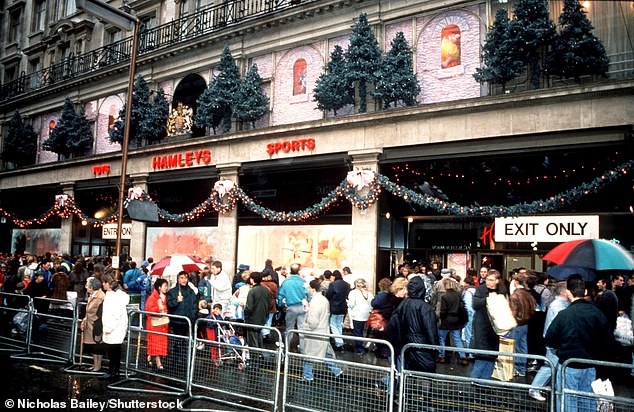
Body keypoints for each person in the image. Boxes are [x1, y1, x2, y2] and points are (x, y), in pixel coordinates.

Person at [545, 275, 610, 412]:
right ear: (585, 292)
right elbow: (607, 340)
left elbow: (550, 339)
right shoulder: (597, 314)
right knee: (587, 401)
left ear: (568, 292)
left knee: (568, 401)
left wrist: (560, 349)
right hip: (591, 366)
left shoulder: (564, 315)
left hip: (569, 365)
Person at [386, 276, 439, 373]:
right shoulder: (425, 307)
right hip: (422, 345)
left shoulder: (404, 303)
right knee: (425, 374)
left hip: (406, 344)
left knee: (407, 373)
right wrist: (435, 348)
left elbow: (394, 324)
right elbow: (431, 331)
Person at [529, 281, 570, 402]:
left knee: (551, 366)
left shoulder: (559, 304)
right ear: (563, 292)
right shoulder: (558, 305)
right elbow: (558, 326)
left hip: (554, 341)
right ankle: (534, 389)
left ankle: (537, 388)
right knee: (549, 366)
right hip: (555, 343)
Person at [302, 279, 343, 382]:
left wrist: (305, 328)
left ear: (313, 289)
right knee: (324, 354)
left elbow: (313, 321)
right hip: (323, 331)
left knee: (309, 356)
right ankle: (337, 371)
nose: (307, 290)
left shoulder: (315, 302)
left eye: (308, 288)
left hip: (315, 333)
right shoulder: (323, 300)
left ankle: (308, 376)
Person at [470, 268, 507, 380]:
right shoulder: (480, 289)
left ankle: (484, 384)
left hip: (495, 329)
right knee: (481, 358)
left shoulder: (502, 290)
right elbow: (475, 304)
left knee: (491, 357)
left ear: (497, 280)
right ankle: (473, 382)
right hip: (482, 327)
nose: (488, 282)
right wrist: (488, 299)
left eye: (491, 279)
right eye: (487, 279)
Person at [100, 273, 130, 380]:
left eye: (104, 282)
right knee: (112, 351)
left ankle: (113, 372)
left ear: (108, 284)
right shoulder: (111, 294)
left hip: (114, 328)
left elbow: (115, 314)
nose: (102, 284)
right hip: (112, 328)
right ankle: (112, 370)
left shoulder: (116, 296)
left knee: (114, 351)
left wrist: (109, 327)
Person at [508, 273, 536, 377]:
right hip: (526, 323)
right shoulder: (527, 294)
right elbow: (533, 307)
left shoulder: (515, 295)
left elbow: (513, 312)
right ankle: (522, 369)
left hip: (517, 323)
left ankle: (516, 369)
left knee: (515, 347)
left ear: (516, 282)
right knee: (523, 346)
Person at [437, 277, 468, 365]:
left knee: (441, 338)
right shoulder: (458, 295)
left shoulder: (444, 296)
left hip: (446, 320)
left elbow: (443, 310)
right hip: (456, 319)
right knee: (457, 339)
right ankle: (463, 357)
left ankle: (441, 356)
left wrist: (441, 318)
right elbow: (462, 307)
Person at [277, 263, 309, 346]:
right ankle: (303, 348)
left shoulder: (286, 282)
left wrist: (280, 305)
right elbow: (308, 294)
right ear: (299, 271)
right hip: (302, 307)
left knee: (289, 329)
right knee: (302, 328)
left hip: (291, 307)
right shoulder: (303, 282)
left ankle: (287, 348)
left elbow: (280, 295)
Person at [80, 276, 105, 372]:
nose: (85, 287)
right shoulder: (93, 295)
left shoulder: (100, 297)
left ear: (92, 287)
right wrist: (84, 320)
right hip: (90, 323)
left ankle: (98, 366)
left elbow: (100, 312)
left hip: (96, 325)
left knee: (97, 346)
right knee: (93, 346)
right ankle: (95, 364)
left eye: (87, 285)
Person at [145, 278, 169, 370]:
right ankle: (158, 362)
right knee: (156, 343)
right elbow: (148, 310)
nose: (166, 288)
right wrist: (159, 308)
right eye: (165, 286)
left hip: (161, 324)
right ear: (159, 287)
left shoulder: (164, 297)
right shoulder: (152, 298)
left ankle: (150, 356)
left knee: (157, 343)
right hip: (154, 325)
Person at [244, 271, 271, 351]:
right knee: (259, 339)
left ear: (252, 279)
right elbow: (270, 304)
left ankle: (255, 359)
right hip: (262, 318)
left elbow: (249, 307)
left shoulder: (252, 291)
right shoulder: (266, 290)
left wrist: (246, 316)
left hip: (252, 319)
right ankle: (260, 357)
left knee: (253, 342)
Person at [347, 278, 373, 355]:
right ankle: (364, 346)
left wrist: (348, 304)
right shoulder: (369, 293)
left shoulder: (353, 293)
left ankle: (359, 348)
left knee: (358, 332)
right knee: (363, 331)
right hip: (366, 315)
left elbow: (351, 304)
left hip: (357, 314)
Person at [325, 269, 349, 351]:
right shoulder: (347, 284)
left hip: (334, 306)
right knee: (339, 324)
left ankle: (339, 342)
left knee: (333, 324)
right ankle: (339, 342)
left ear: (334, 276)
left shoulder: (333, 285)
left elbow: (328, 295)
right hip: (343, 307)